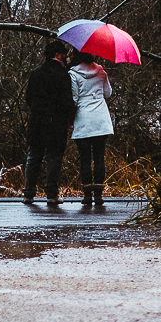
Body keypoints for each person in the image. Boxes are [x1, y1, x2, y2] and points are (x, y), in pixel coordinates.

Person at [22, 39, 78, 206]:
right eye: (64, 54)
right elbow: (68, 101)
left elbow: (28, 97)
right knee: (54, 158)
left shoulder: (36, 72)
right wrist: (70, 119)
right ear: (57, 55)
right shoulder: (63, 76)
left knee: (34, 156)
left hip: (37, 121)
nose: (67, 57)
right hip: (56, 122)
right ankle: (51, 194)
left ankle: (29, 193)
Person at [67, 50, 114, 206]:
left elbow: (74, 98)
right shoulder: (101, 72)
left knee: (85, 159)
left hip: (83, 119)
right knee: (99, 158)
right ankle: (99, 195)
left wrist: (69, 119)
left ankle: (87, 195)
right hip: (101, 119)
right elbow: (108, 93)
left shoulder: (73, 74)